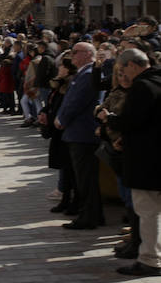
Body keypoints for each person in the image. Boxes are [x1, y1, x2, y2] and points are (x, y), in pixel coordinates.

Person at [98, 48, 161, 276]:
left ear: (132, 65)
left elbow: (131, 120)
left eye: (123, 69)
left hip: (146, 160)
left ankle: (150, 260)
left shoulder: (142, 87)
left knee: (148, 213)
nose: (123, 75)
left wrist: (110, 119)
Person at [55, 42, 104, 230]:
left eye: (75, 52)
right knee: (83, 178)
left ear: (87, 54)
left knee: (85, 178)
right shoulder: (83, 73)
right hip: (77, 132)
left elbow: (78, 101)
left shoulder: (89, 74)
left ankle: (89, 216)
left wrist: (62, 119)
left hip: (82, 132)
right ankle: (94, 214)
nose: (72, 56)